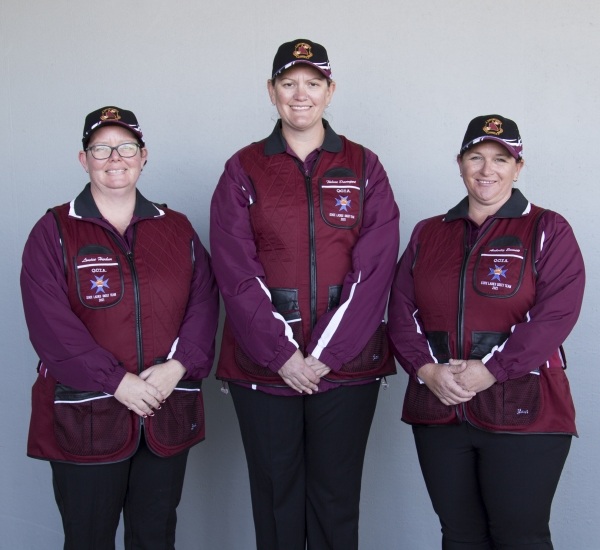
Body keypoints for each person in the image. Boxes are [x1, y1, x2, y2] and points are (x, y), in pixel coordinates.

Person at [210, 39, 400, 550]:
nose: (301, 94)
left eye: (313, 83)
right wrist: (282, 355)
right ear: (271, 92)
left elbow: (375, 270)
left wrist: (324, 357)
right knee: (276, 500)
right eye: (289, 83)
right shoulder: (244, 168)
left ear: (330, 90)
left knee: (336, 501)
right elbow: (236, 270)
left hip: (346, 367)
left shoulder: (363, 166)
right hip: (264, 368)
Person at [21, 106, 219, 550]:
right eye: (102, 148)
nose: (115, 158)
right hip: (86, 416)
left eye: (126, 147)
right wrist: (116, 382)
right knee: (88, 539)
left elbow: (204, 303)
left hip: (164, 411)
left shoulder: (178, 228)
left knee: (155, 537)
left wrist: (177, 367)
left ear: (143, 156)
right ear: (83, 158)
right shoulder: (52, 231)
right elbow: (51, 327)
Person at [387, 114, 585, 550]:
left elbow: (556, 315)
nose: (486, 169)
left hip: (524, 410)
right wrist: (426, 370)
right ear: (459, 163)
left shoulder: (548, 229)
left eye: (501, 158)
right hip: (439, 408)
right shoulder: (428, 233)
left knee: (519, 538)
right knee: (460, 537)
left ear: (519, 166)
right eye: (475, 157)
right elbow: (401, 313)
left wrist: (493, 369)